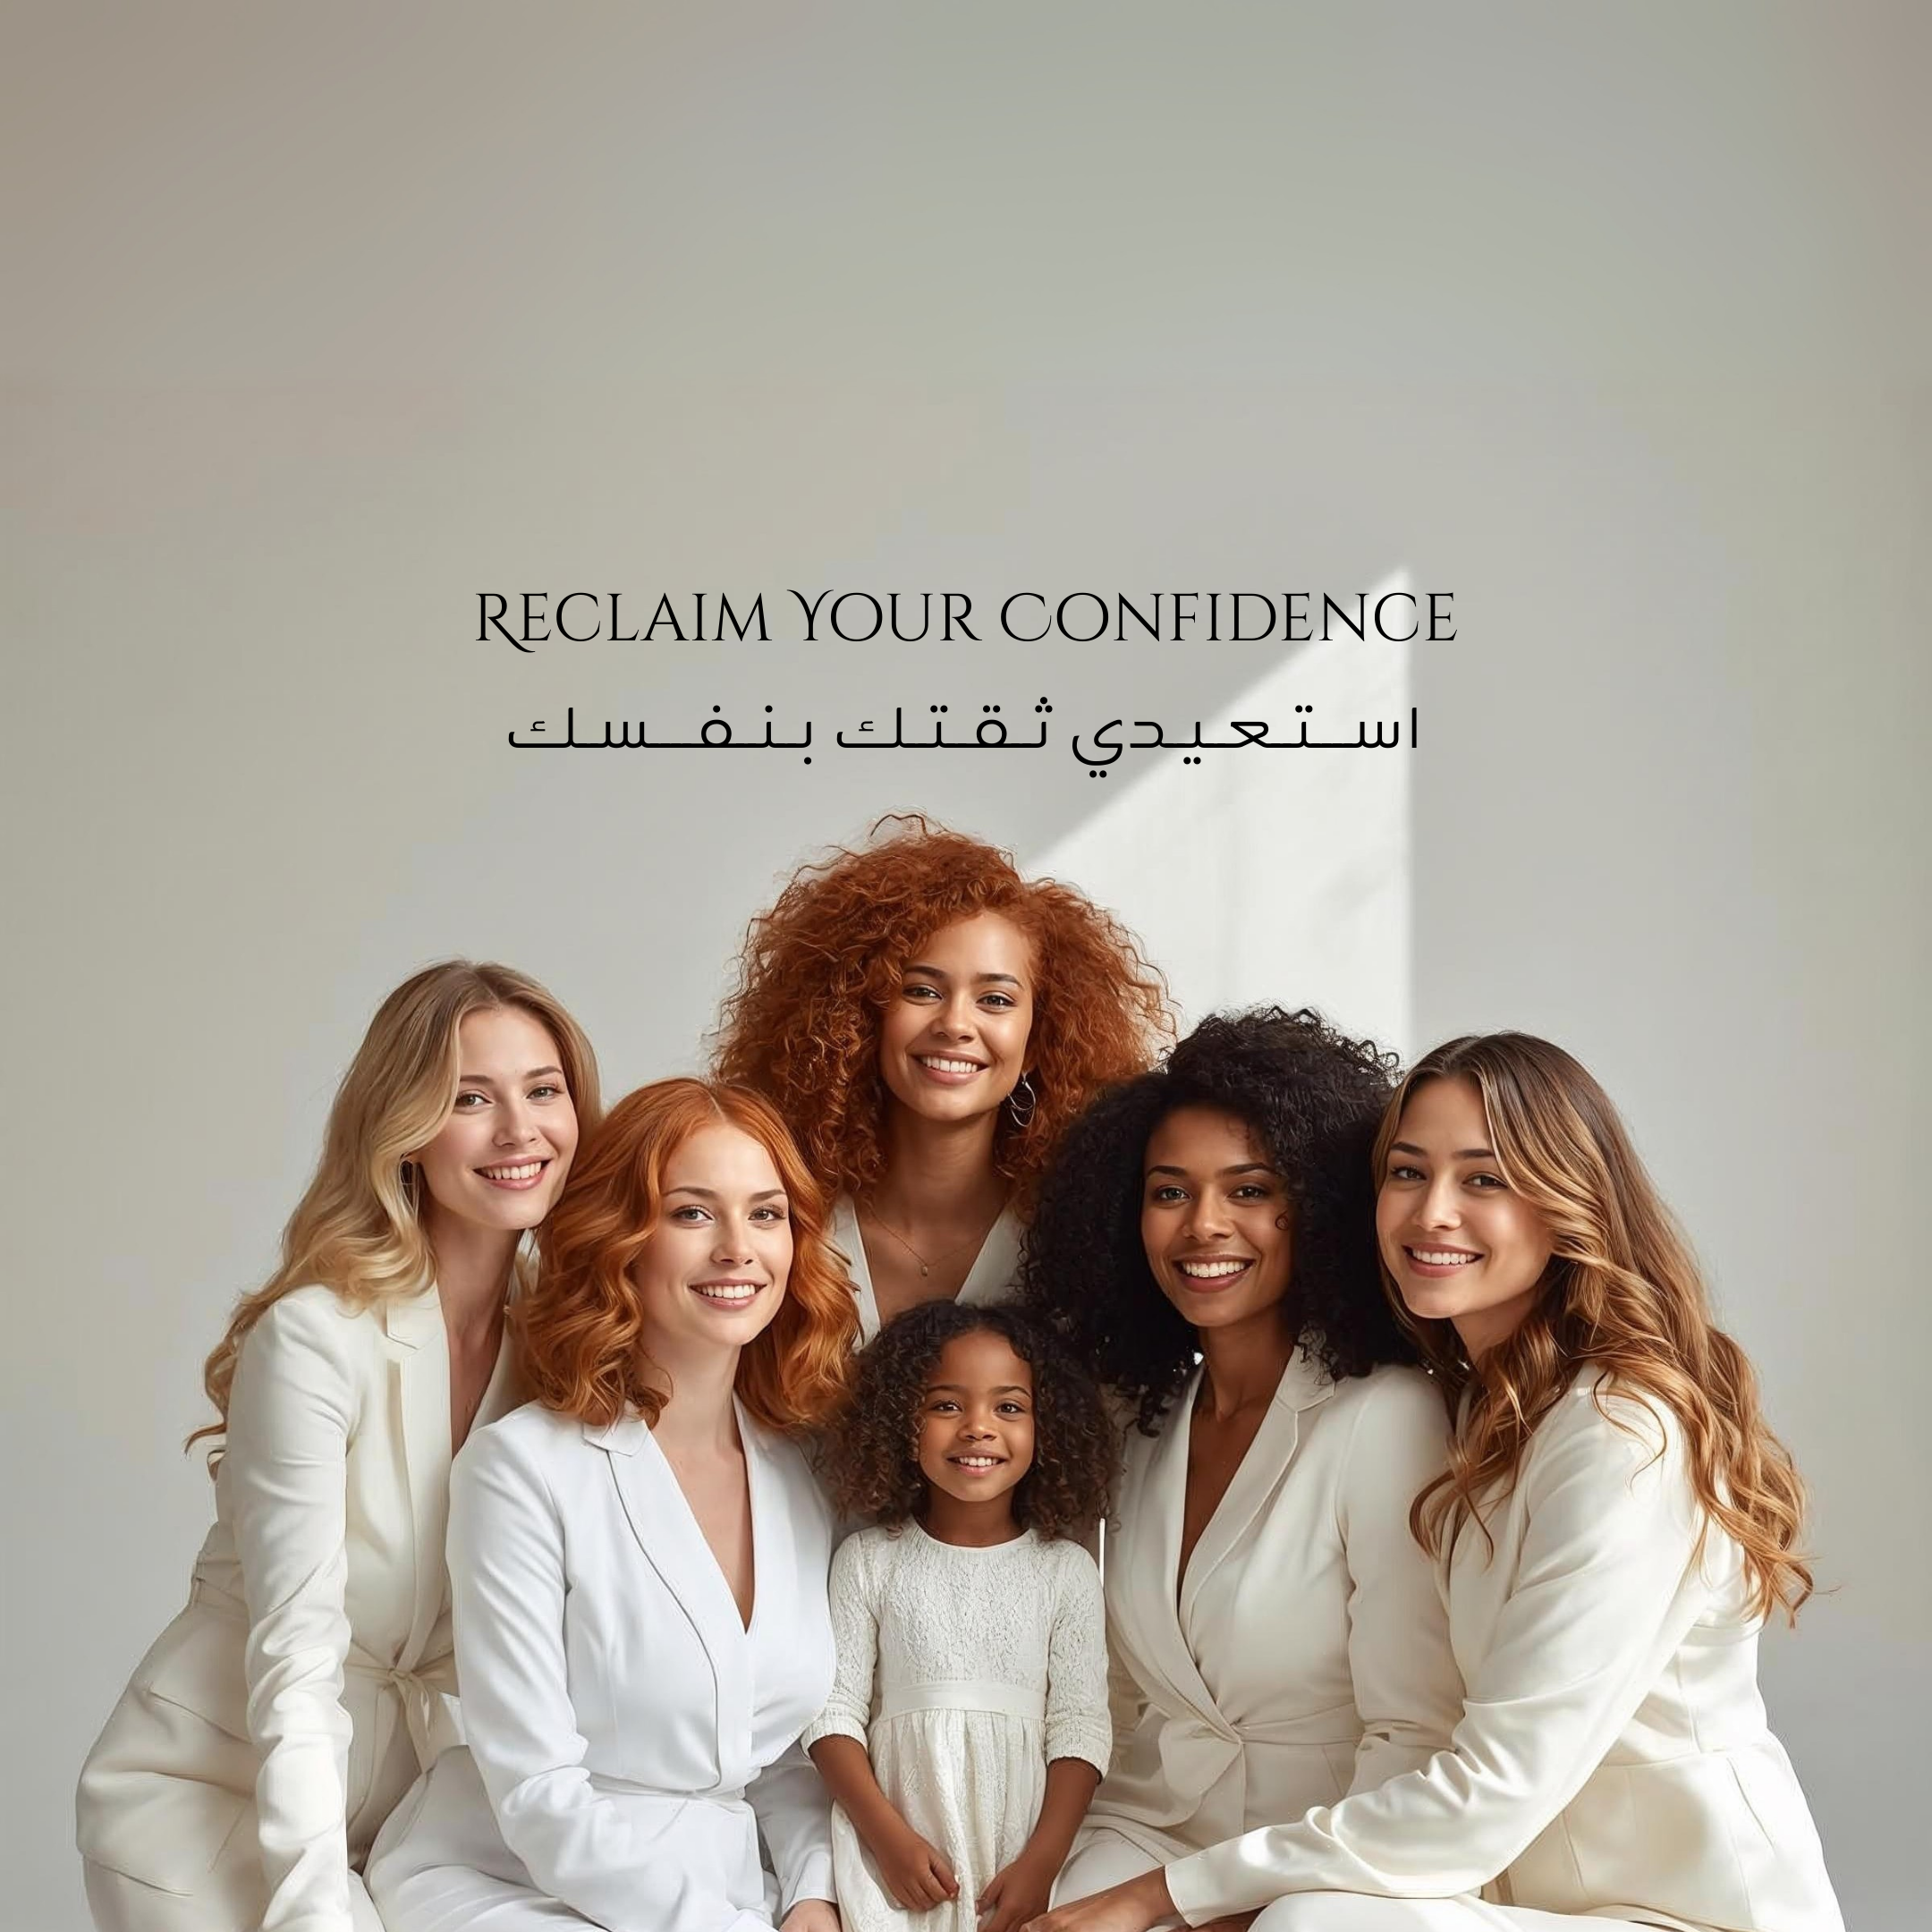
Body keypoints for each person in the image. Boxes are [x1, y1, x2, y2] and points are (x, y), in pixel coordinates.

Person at [1030, 1032, 1843, 1932]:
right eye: (1408, 1174)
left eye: (1483, 1179)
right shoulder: (1492, 1416)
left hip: (1689, 1912)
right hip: (1530, 1905)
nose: (1432, 1214)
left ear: (1568, 1203)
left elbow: (1492, 1785)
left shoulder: (1623, 1435)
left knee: (1312, 1925)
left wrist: (1168, 1896)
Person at [76, 961, 600, 1932]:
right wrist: (315, 1909)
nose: (520, 1130)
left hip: (413, 1820)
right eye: (469, 1098)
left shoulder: (557, 1348)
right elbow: (296, 1651)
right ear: (403, 1129)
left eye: (544, 1090)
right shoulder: (318, 1337)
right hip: (215, 1801)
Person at [366, 1078, 858, 1932]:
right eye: (693, 1214)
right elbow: (535, 1791)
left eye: (767, 1214)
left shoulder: (799, 1474)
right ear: (620, 1240)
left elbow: (772, 1753)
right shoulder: (523, 1470)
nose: (739, 1249)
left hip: (728, 1890)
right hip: (511, 1885)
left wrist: (812, 1894)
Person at [1021, 1010, 1462, 1914]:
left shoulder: (1386, 1418)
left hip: (1319, 1862)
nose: (1203, 1227)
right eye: (1169, 1192)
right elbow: (1131, 1703)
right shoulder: (1145, 1428)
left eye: (1251, 1190)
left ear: (1317, 1208)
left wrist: (1212, 1905)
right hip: (1146, 1829)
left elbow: (1412, 1734)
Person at [715, 816, 1171, 1341]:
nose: (955, 1024)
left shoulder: (1083, 1241)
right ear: (863, 1018)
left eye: (995, 1000)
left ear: (1036, 1045)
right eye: (922, 991)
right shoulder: (780, 1218)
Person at [805, 1302, 1116, 1932]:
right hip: (895, 1851)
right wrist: (887, 1840)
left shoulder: (1067, 1571)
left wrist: (1043, 1861)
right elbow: (832, 1714)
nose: (978, 1427)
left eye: (1009, 1407)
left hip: (1021, 1854)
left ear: (1046, 1427)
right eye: (946, 1405)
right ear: (901, 1422)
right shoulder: (868, 1561)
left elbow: (1080, 1727)